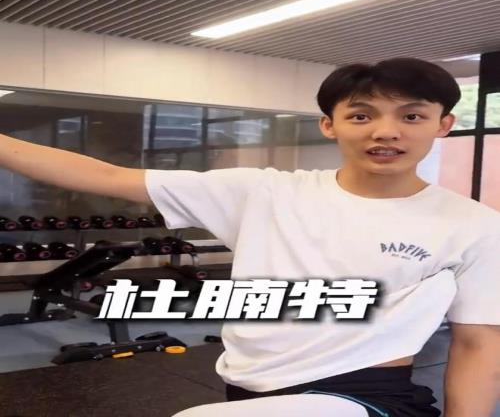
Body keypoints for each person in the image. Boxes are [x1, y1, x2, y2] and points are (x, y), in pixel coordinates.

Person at [0, 58, 498, 416]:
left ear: (443, 125)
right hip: (247, 385)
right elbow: (107, 176)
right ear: (330, 125)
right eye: (361, 115)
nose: (385, 132)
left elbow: (479, 343)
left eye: (411, 116)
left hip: (364, 393)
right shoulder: (261, 192)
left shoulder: (473, 224)